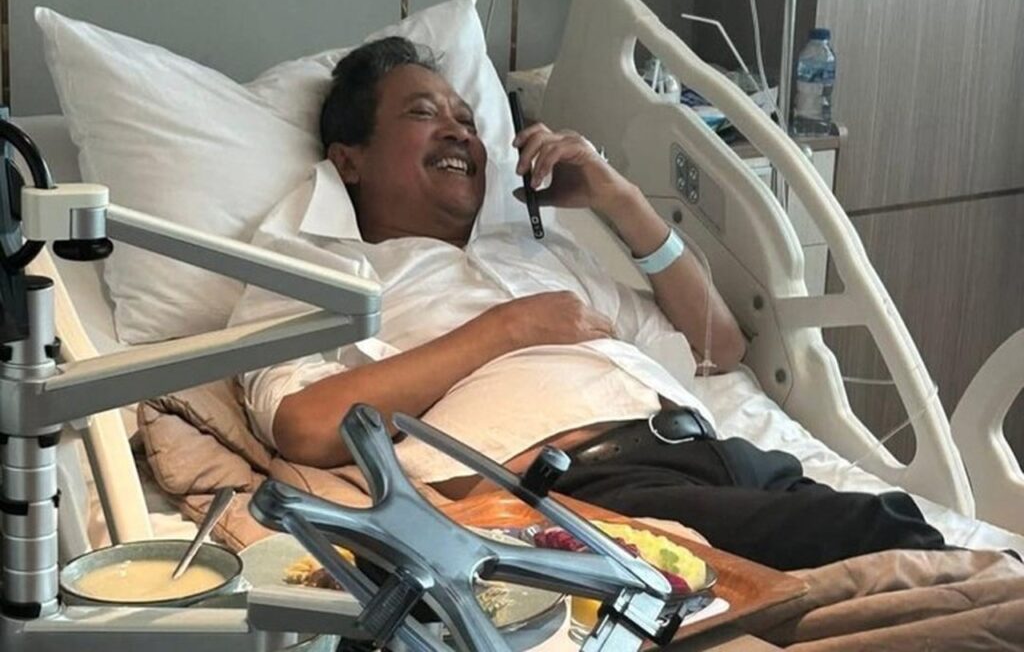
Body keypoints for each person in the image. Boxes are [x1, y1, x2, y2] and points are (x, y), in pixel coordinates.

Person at [230, 36, 946, 571]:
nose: (459, 132)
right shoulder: (323, 267)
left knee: (909, 545)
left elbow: (718, 346)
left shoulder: (535, 253)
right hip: (588, 488)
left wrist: (619, 199)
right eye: (424, 113)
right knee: (888, 541)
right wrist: (507, 329)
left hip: (715, 455)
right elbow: (304, 425)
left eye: (468, 120)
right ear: (349, 159)